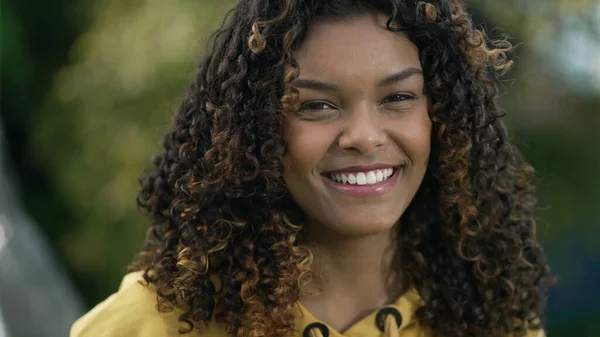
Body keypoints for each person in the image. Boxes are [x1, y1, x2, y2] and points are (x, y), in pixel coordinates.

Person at [70, 0, 552, 336]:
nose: (364, 136)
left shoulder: (493, 322)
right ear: (256, 128)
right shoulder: (150, 325)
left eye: (399, 98)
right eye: (317, 106)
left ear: (442, 115)